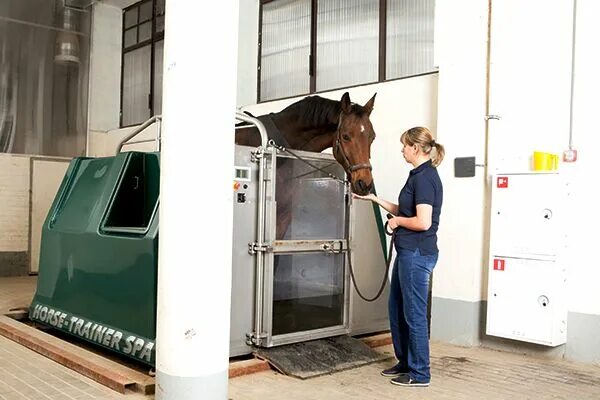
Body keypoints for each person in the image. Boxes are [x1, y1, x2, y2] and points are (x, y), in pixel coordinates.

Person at [353, 126, 444, 387]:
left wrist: (396, 224)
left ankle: (420, 373)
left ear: (415, 148)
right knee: (397, 309)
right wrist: (375, 199)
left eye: (405, 145)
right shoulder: (416, 175)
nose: (402, 149)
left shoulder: (426, 178)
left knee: (414, 314)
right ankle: (405, 362)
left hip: (417, 253)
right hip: (407, 252)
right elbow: (404, 209)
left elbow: (423, 221)